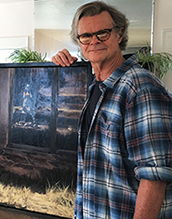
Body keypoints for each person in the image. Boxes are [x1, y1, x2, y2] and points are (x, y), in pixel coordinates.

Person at [51, 1, 172, 218]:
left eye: (103, 33)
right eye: (86, 36)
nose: (94, 40)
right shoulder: (96, 87)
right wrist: (64, 63)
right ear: (79, 41)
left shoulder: (141, 87)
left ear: (119, 34)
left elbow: (154, 175)